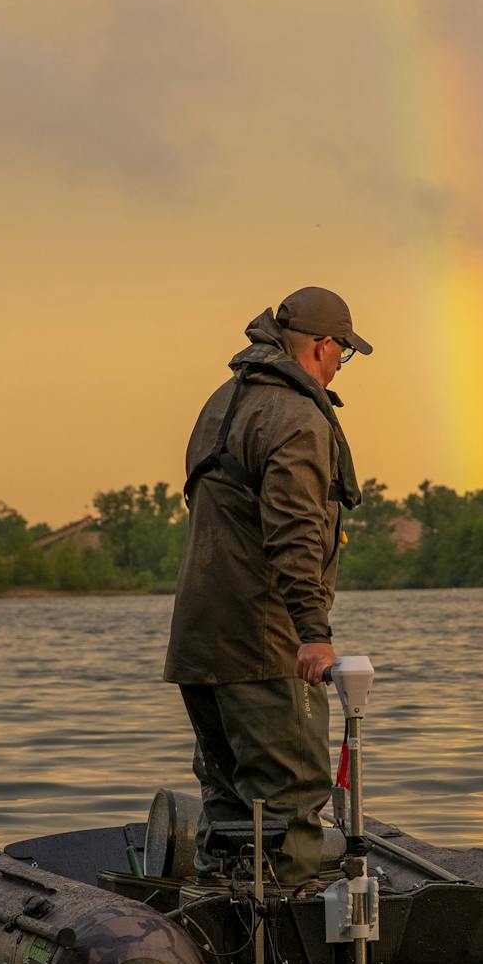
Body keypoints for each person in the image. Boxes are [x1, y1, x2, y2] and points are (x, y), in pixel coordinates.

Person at [164, 287, 371, 888]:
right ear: (321, 345)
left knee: (228, 801)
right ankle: (292, 944)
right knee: (290, 798)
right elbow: (295, 531)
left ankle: (221, 931)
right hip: (263, 645)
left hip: (200, 645)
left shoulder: (223, 399)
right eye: (343, 353)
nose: (339, 366)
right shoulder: (298, 417)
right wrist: (313, 634)